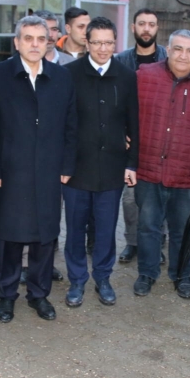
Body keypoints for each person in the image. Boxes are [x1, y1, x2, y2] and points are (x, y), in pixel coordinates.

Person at [0, 15, 77, 323]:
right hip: (10, 170)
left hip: (49, 170)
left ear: (48, 42)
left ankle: (39, 294)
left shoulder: (61, 78)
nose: (35, 44)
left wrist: (67, 164)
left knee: (44, 236)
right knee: (8, 236)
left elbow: (71, 125)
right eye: (28, 38)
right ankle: (6, 295)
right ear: (17, 42)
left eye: (40, 38)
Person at [133, 29, 190, 299]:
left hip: (187, 172)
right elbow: (126, 113)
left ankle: (181, 275)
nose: (183, 55)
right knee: (148, 227)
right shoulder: (143, 76)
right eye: (178, 48)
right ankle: (147, 273)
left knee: (184, 230)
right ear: (167, 49)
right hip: (148, 168)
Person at [62, 17, 138, 307]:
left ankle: (103, 278)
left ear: (115, 42)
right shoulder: (68, 74)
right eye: (97, 42)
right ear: (87, 42)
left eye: (108, 42)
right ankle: (77, 280)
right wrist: (63, 166)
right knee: (74, 229)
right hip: (75, 171)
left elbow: (135, 125)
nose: (103, 48)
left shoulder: (127, 76)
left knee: (106, 229)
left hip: (112, 169)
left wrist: (132, 163)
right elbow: (61, 124)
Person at [115, 8, 168, 264]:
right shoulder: (121, 60)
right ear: (133, 27)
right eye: (142, 24)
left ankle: (157, 244)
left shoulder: (168, 59)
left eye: (152, 24)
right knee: (130, 200)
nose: (147, 28)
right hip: (130, 142)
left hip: (160, 140)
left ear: (157, 28)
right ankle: (132, 242)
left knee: (159, 197)